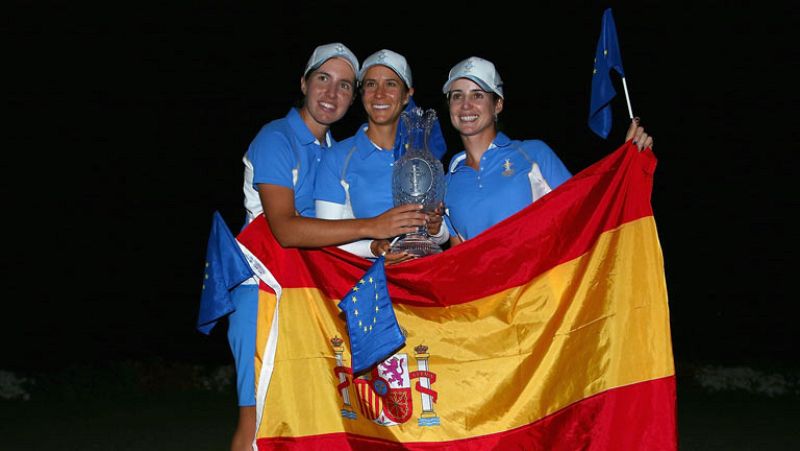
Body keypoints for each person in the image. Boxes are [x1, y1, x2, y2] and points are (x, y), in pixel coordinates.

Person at [229, 43, 428, 451]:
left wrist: (375, 245)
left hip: (305, 299)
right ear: (304, 83)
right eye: (323, 79)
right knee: (257, 421)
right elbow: (285, 228)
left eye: (344, 86)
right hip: (262, 294)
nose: (331, 93)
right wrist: (374, 226)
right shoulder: (276, 137)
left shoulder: (331, 151)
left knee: (304, 420)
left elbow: (336, 234)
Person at [441, 56, 653, 245]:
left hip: (545, 288)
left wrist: (624, 164)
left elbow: (585, 208)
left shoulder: (533, 154)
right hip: (491, 290)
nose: (466, 105)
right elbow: (459, 265)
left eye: (478, 95)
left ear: (498, 105)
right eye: (457, 96)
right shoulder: (446, 183)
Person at [313, 49, 449, 261]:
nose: (379, 93)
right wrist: (374, 248)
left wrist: (435, 228)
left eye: (391, 84)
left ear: (407, 95)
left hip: (424, 278)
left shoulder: (423, 156)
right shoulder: (338, 158)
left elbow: (441, 235)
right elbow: (326, 239)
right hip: (370, 283)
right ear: (362, 94)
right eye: (371, 84)